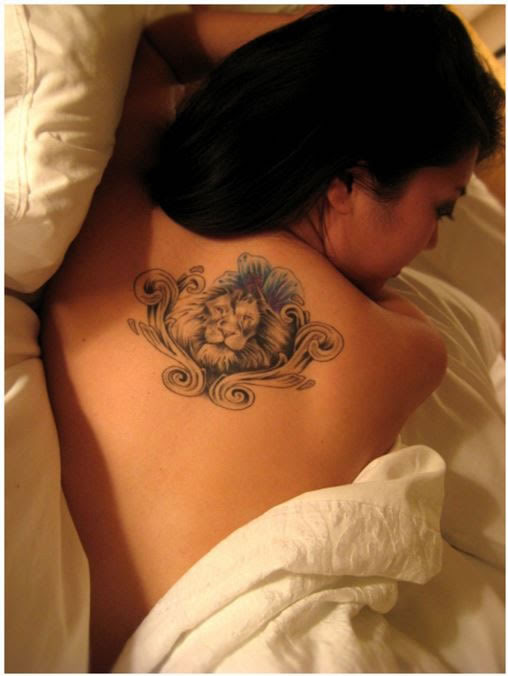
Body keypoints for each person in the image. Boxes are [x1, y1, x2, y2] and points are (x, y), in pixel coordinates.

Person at [40, 5, 504, 671]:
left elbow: (157, 48)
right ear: (348, 181)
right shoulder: (407, 345)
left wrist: (346, 41)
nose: (433, 242)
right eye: (442, 208)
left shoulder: (118, 208)